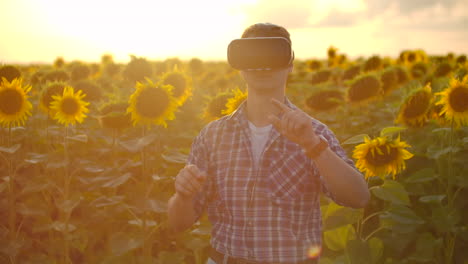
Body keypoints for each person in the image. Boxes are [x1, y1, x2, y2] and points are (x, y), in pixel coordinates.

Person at [167, 22, 370, 264]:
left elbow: (358, 198)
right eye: (252, 56)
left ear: (290, 63)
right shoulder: (212, 135)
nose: (262, 66)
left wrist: (313, 146)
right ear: (240, 66)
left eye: (273, 55)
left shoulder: (314, 132)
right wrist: (183, 195)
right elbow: (179, 223)